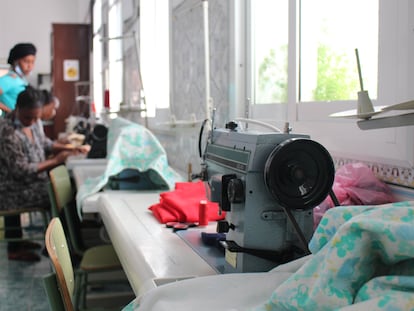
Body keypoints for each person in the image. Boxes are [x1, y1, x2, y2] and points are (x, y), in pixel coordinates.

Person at [0, 86, 84, 261]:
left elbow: (45, 143)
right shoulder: (7, 132)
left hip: (32, 183)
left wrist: (71, 148)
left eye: (36, 118)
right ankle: (62, 249)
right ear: (17, 108)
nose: (31, 121)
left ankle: (60, 244)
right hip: (12, 189)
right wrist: (55, 160)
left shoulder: (35, 121)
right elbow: (20, 170)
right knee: (64, 194)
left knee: (66, 190)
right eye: (27, 117)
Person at [0, 43, 37, 117]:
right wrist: (10, 111)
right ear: (16, 62)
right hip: (10, 124)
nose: (30, 66)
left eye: (32, 62)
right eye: (26, 61)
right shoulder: (8, 79)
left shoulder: (22, 80)